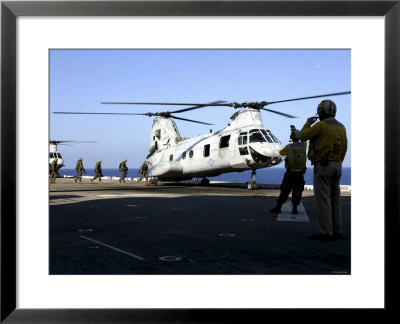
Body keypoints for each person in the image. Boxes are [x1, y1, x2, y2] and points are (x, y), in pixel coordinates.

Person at [299, 99, 348, 241]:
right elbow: (344, 146)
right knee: (335, 199)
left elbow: (303, 136)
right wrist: (338, 161)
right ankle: (337, 230)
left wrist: (308, 123)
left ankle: (326, 232)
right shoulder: (341, 126)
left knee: (323, 200)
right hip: (337, 165)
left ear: (323, 111)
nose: (318, 112)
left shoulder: (321, 125)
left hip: (324, 165)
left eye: (319, 110)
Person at [270, 125, 307, 214]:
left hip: (290, 173)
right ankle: (295, 209)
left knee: (285, 191)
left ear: (292, 137)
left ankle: (278, 207)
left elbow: (281, 152)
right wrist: (296, 131)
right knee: (297, 192)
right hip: (300, 174)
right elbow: (303, 139)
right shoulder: (303, 145)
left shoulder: (289, 147)